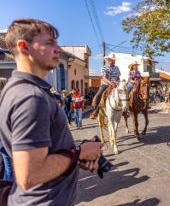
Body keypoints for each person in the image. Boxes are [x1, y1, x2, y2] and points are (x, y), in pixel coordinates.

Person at [0, 18, 102, 205]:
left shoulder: (26, 90)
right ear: (24, 47)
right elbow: (30, 174)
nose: (59, 49)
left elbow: (43, 154)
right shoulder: (31, 97)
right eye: (49, 43)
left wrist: (72, 158)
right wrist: (80, 152)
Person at [90, 53, 121, 119]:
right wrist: (110, 83)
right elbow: (103, 77)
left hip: (116, 84)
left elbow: (118, 77)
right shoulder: (104, 67)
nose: (113, 61)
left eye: (114, 60)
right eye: (112, 60)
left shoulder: (117, 68)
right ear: (108, 60)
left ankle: (125, 110)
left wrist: (117, 82)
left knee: (124, 93)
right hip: (106, 84)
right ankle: (96, 111)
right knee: (98, 95)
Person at [0, 78, 13, 183]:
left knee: (6, 167)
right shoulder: (6, 102)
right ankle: (7, 193)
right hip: (5, 140)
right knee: (10, 169)